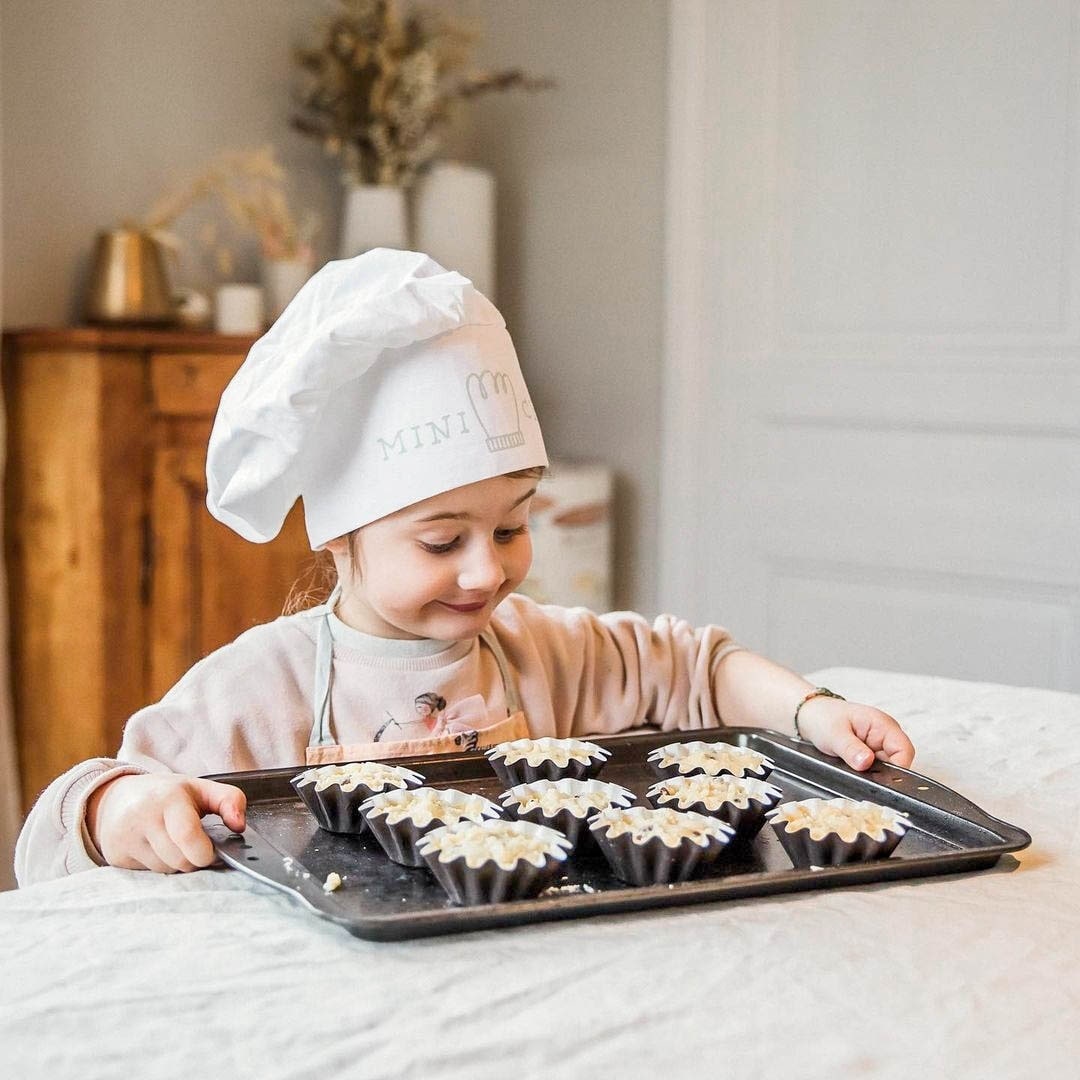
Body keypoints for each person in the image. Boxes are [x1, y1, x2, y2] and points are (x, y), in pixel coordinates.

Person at [14, 249, 915, 885]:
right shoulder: (261, 688)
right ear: (340, 538)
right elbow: (58, 828)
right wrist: (117, 813)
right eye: (442, 542)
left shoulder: (546, 653)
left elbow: (702, 666)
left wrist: (811, 709)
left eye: (513, 527)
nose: (486, 572)